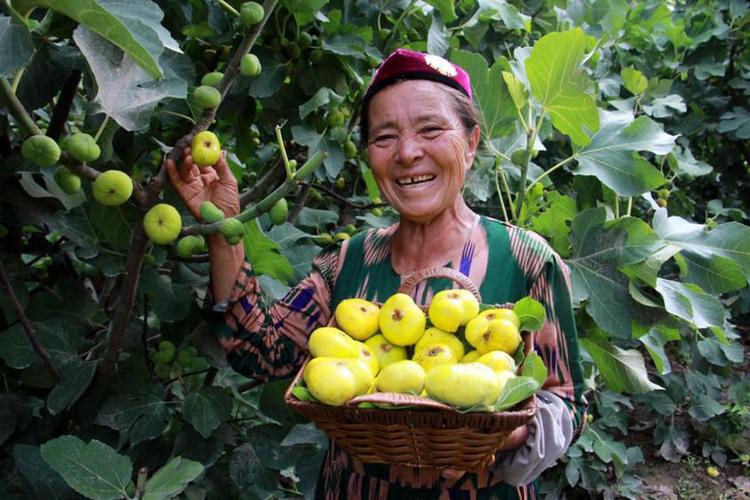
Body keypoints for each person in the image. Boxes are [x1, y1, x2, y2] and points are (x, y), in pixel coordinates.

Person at [167, 48, 587, 499]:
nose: (407, 153)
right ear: (369, 156)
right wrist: (222, 226)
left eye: (430, 129)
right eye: (385, 137)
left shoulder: (526, 261)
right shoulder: (348, 262)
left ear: (470, 142)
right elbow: (258, 350)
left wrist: (496, 434)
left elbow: (566, 401)